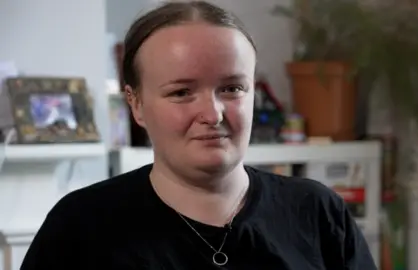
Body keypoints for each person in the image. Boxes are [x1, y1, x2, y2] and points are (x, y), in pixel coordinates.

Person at [20, 1, 377, 269]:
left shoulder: (317, 211)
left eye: (233, 89)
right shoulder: (80, 226)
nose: (212, 113)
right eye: (181, 92)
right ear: (137, 104)